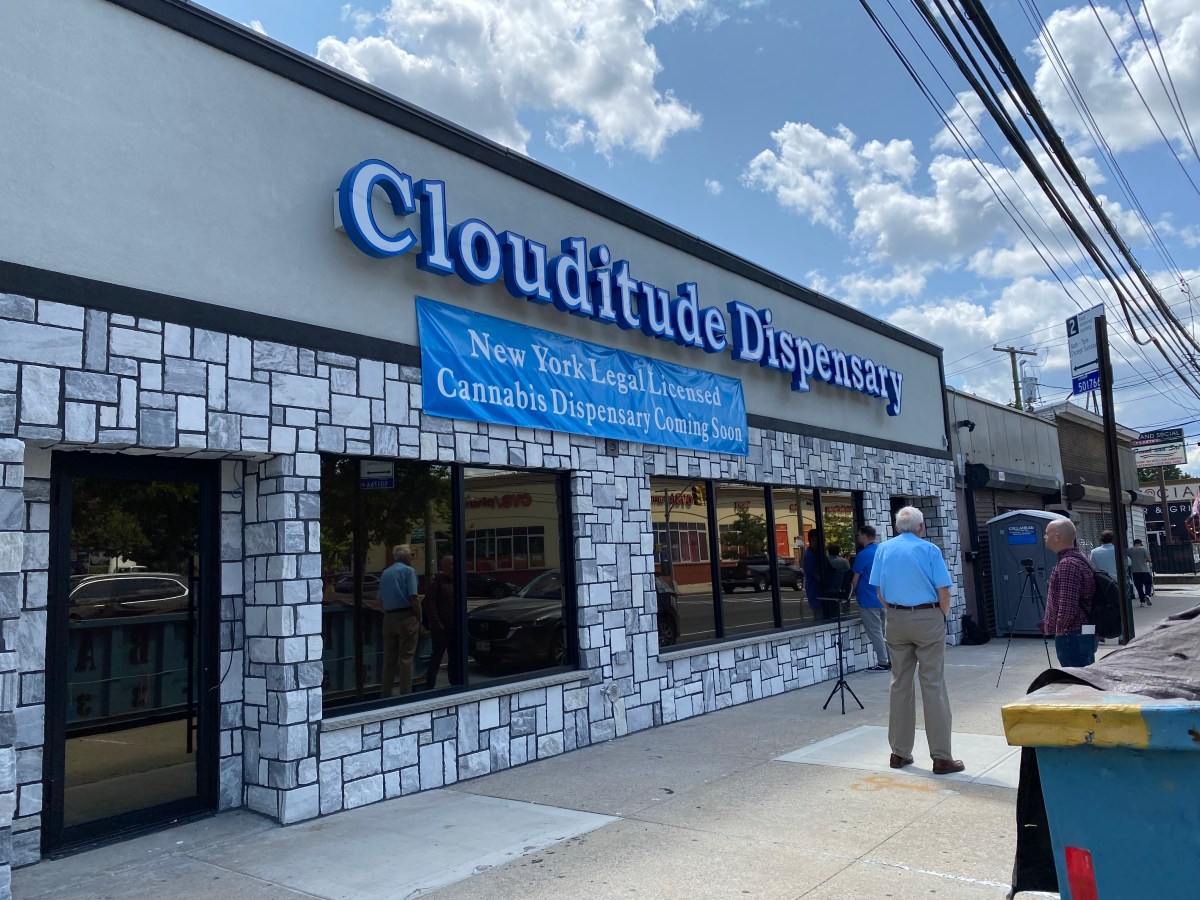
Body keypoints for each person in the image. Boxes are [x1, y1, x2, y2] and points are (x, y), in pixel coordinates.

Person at [869, 506, 962, 775]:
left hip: (896, 618)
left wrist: (896, 611)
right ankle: (942, 757)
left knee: (899, 684)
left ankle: (899, 752)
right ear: (921, 527)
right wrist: (940, 616)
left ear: (897, 527)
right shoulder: (929, 550)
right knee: (933, 684)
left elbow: (879, 592)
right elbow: (943, 591)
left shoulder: (883, 550)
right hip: (927, 615)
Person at [1042, 519, 1097, 667]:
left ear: (1057, 537)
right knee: (1085, 674)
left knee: (1076, 679)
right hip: (1083, 631)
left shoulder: (1067, 564)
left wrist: (1060, 630)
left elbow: (1067, 605)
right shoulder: (1080, 557)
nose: (1044, 537)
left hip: (1072, 634)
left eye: (1047, 533)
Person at [379, 546, 422, 696]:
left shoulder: (386, 573)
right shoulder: (409, 571)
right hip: (405, 617)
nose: (412, 558)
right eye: (411, 555)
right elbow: (414, 598)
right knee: (406, 658)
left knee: (389, 658)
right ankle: (405, 693)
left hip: (388, 618)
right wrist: (419, 618)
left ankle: (385, 692)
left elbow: (381, 600)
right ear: (406, 557)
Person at [849, 525, 889, 671]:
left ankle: (883, 662)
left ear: (864, 535)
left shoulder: (862, 555)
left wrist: (849, 593)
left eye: (859, 535)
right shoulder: (882, 551)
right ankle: (891, 660)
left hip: (867, 599)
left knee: (875, 632)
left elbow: (855, 579)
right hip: (883, 598)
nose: (858, 538)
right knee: (885, 632)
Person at [422, 554, 463, 689]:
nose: (453, 567)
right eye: (451, 564)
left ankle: (455, 682)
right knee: (437, 656)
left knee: (454, 655)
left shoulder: (456, 582)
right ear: (443, 566)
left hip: (454, 626)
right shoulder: (436, 583)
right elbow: (431, 605)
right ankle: (430, 685)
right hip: (441, 627)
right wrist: (437, 623)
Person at [825, 543, 851, 618]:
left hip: (829, 585)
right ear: (838, 551)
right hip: (841, 585)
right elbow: (848, 573)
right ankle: (846, 613)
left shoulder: (825, 560)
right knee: (845, 601)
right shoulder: (844, 561)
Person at [1126, 539, 1153, 607]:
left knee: (1139, 587)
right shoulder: (1143, 549)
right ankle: (1147, 595)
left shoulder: (1129, 550)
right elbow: (1149, 559)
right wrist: (1144, 560)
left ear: (1134, 543)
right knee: (1148, 583)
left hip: (1135, 571)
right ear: (1140, 543)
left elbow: (1127, 559)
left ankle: (1142, 602)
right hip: (1144, 570)